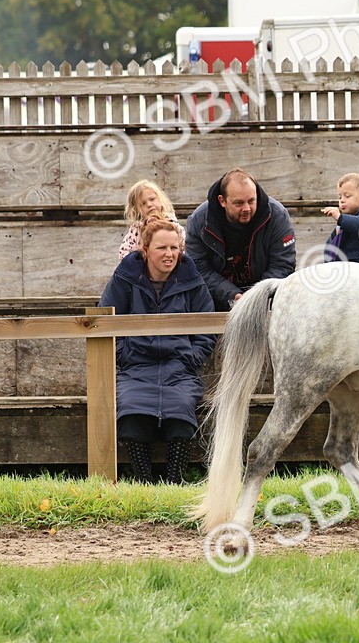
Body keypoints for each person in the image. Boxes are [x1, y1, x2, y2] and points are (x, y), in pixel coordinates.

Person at [100, 216, 216, 483]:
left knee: (181, 408)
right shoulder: (125, 278)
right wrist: (125, 355)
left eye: (174, 248)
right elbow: (105, 321)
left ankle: (175, 480)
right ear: (146, 250)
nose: (169, 254)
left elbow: (207, 328)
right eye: (162, 248)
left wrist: (190, 359)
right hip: (136, 366)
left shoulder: (193, 280)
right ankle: (144, 480)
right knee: (131, 408)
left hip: (179, 367)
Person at [185, 167, 297, 311]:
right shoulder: (199, 221)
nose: (247, 208)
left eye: (251, 201)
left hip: (265, 301)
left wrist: (253, 298)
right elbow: (199, 269)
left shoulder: (277, 216)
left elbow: (283, 265)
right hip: (214, 301)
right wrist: (232, 295)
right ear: (222, 201)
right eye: (239, 203)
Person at [118, 179, 185, 262]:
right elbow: (123, 255)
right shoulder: (136, 230)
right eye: (143, 204)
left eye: (152, 199)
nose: (149, 205)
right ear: (136, 210)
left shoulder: (174, 226)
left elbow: (184, 252)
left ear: (160, 199)